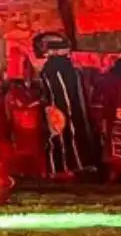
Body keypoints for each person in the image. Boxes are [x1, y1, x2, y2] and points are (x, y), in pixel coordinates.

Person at [35, 33, 93, 178]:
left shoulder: (59, 68)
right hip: (61, 112)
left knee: (68, 136)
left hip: (65, 111)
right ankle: (65, 168)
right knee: (63, 136)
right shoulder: (55, 68)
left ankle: (72, 166)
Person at [2, 79, 50, 181]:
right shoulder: (12, 94)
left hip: (30, 124)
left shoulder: (34, 90)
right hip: (22, 124)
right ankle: (24, 172)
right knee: (23, 150)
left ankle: (31, 172)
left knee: (32, 149)